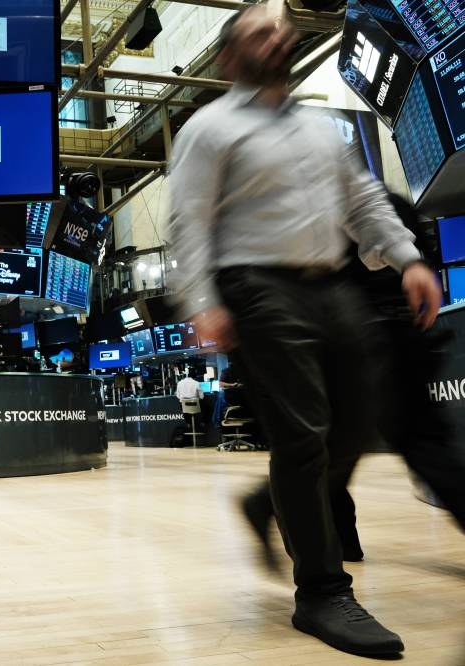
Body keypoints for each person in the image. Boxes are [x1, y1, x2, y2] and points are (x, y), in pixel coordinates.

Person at [166, 5, 442, 657]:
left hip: (330, 283)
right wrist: (202, 300)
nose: (280, 37)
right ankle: (321, 592)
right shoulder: (208, 129)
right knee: (305, 433)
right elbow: (188, 222)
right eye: (261, 31)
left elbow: (363, 199)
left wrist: (406, 258)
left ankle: (271, 503)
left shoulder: (320, 129)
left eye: (283, 28)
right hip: (255, 286)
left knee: (359, 424)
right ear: (231, 57)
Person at [241, 191, 465, 567]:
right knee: (401, 442)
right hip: (390, 336)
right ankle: (285, 514)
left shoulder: (322, 214)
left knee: (342, 445)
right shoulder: (389, 204)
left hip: (361, 340)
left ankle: (295, 518)